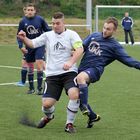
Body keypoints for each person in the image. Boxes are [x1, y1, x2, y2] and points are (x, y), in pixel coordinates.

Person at [17, 12, 83, 133]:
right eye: (53, 23)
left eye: (57, 23)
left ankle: (69, 124)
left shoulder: (72, 34)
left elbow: (80, 49)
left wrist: (70, 61)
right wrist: (24, 38)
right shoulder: (47, 35)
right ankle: (49, 117)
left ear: (64, 23)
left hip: (69, 73)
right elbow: (32, 44)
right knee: (46, 104)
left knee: (74, 94)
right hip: (52, 75)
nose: (55, 25)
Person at [76, 17, 140, 128]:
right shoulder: (94, 36)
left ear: (114, 31)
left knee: (81, 78)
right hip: (82, 68)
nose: (105, 30)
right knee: (74, 95)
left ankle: (84, 106)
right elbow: (81, 47)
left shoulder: (115, 46)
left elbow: (129, 60)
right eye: (104, 27)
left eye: (108, 29)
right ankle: (92, 116)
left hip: (95, 70)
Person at [16, 3, 51, 94]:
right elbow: (19, 36)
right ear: (25, 11)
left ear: (35, 11)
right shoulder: (22, 21)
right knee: (30, 67)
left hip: (39, 45)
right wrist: (21, 47)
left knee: (39, 64)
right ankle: (31, 88)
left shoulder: (40, 19)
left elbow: (48, 31)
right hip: (29, 46)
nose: (30, 11)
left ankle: (39, 89)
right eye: (28, 10)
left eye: (32, 10)